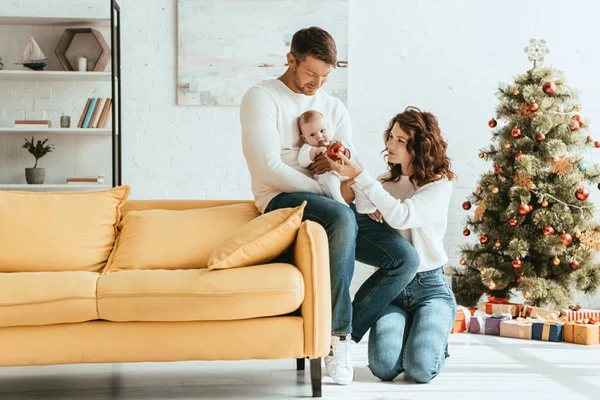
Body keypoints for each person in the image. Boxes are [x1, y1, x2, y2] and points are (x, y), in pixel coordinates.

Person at [240, 27, 420, 385]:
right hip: (281, 199)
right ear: (291, 59)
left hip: (336, 202)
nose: (316, 85)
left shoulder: (334, 107)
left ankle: (338, 335)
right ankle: (337, 338)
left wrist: (341, 181)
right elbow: (268, 168)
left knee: (405, 259)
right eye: (310, 74)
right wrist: (330, 192)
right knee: (339, 215)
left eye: (325, 76)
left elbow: (346, 165)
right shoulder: (262, 97)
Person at [325, 106, 457, 383]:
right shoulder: (384, 183)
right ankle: (403, 332)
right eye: (391, 137)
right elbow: (362, 206)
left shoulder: (438, 184)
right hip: (392, 290)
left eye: (401, 141)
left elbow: (402, 215)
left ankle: (432, 335)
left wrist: (365, 182)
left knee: (420, 369)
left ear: (419, 147)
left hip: (430, 287)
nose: (390, 145)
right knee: (384, 369)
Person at [297, 109, 376, 213]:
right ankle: (339, 201)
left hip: (342, 173)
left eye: (322, 131)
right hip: (325, 176)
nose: (319, 137)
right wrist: (314, 152)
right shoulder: (308, 147)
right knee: (331, 179)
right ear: (304, 139)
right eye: (312, 135)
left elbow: (350, 154)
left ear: (328, 128)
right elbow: (302, 161)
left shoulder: (334, 143)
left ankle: (365, 205)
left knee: (357, 181)